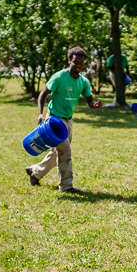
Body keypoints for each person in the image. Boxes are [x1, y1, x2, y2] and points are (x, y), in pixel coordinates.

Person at [26, 47, 101, 194]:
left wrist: (95, 105)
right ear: (69, 60)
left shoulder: (83, 81)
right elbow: (43, 94)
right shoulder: (59, 77)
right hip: (54, 120)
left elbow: (90, 101)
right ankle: (66, 186)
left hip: (68, 121)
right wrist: (40, 114)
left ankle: (35, 173)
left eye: (81, 62)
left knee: (57, 153)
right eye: (75, 62)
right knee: (65, 152)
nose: (78, 65)